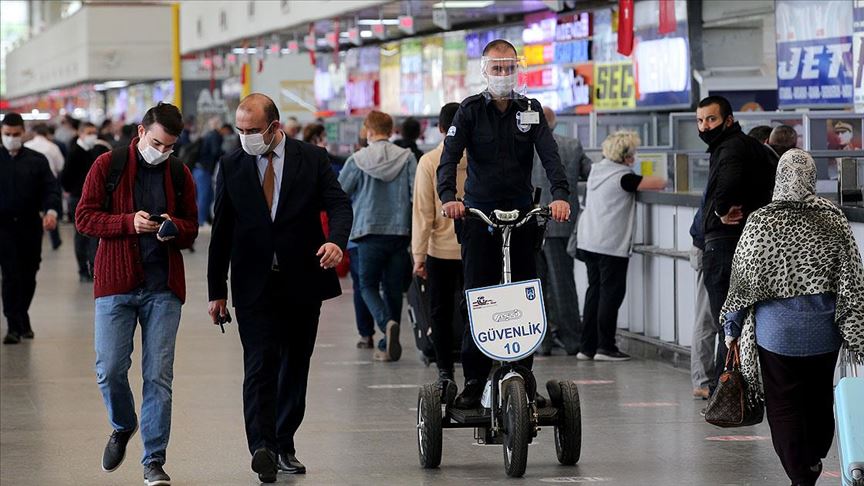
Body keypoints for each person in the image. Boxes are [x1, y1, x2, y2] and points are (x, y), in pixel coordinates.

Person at [207, 93, 352, 483]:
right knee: (259, 365)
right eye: (239, 130)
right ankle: (262, 447)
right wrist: (216, 290)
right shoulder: (232, 163)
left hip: (303, 279)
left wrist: (336, 240)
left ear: (275, 128)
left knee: (294, 366)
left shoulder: (313, 159)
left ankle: (284, 442)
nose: (244, 137)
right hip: (254, 283)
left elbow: (339, 204)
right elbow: (221, 232)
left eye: (252, 131)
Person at [438, 39, 570, 408]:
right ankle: (474, 379)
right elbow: (448, 158)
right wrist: (449, 197)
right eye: (495, 68)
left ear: (516, 70)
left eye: (508, 68)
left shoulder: (530, 110)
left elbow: (550, 155)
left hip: (522, 213)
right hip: (480, 217)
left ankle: (524, 374)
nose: (502, 74)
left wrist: (560, 194)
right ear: (485, 71)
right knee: (478, 295)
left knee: (526, 293)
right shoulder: (468, 112)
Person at [721, 149, 864, 486]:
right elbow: (852, 279)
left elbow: (743, 280)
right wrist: (856, 331)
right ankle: (813, 458)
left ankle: (800, 474)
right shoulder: (833, 218)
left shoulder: (761, 221)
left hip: (776, 334)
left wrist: (732, 325)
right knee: (818, 399)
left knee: (783, 405)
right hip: (823, 332)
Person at [74, 102, 198, 486]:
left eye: (170, 147)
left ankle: (154, 459)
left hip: (163, 288)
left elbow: (193, 226)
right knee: (109, 369)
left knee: (158, 377)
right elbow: (84, 217)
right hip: (116, 284)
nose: (163, 152)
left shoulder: (178, 172)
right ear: (142, 133)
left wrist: (173, 227)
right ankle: (123, 424)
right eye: (158, 143)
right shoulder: (107, 166)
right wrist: (128, 222)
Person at [696, 95, 776, 392]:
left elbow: (725, 190)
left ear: (728, 120)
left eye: (711, 119)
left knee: (727, 325)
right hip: (751, 245)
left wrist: (720, 209)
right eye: (700, 121)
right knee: (743, 322)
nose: (705, 126)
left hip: (723, 245)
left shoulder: (728, 148)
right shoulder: (754, 147)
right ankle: (746, 388)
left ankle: (725, 392)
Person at [575, 131, 666, 361]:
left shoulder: (597, 169)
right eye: (633, 153)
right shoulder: (624, 177)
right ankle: (606, 347)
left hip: (588, 240)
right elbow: (659, 182)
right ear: (625, 156)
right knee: (611, 295)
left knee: (593, 292)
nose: (634, 156)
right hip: (609, 244)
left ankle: (587, 347)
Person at [338, 110, 416, 362]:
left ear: (368, 131)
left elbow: (339, 193)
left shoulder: (357, 160)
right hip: (399, 232)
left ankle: (385, 324)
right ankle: (386, 343)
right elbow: (417, 194)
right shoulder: (407, 158)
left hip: (366, 233)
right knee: (393, 289)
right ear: (391, 130)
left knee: (367, 285)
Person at [412, 102, 467, 381]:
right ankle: (475, 371)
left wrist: (418, 256)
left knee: (440, 312)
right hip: (476, 249)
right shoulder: (482, 159)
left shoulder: (430, 162)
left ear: (440, 128)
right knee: (475, 310)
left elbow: (423, 212)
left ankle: (445, 370)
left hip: (439, 252)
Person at [532, 106, 592, 356]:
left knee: (534, 286)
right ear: (554, 124)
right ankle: (572, 340)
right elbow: (591, 173)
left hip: (530, 225)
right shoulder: (572, 145)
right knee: (563, 285)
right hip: (560, 225)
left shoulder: (524, 148)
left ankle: (541, 342)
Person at [0, 113, 61, 345]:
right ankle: (13, 326)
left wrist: (52, 211)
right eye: (7, 135)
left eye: (16, 134)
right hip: (3, 228)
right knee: (10, 275)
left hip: (29, 226)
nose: (12, 139)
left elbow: (51, 189)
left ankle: (22, 315)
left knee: (29, 274)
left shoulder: (37, 160)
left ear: (23, 132)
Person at [61, 122, 110, 281]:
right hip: (78, 198)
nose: (92, 136)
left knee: (95, 235)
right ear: (81, 133)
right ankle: (83, 269)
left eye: (94, 132)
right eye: (89, 132)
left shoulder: (95, 150)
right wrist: (75, 190)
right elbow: (65, 177)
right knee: (81, 234)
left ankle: (94, 267)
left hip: (95, 199)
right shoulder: (75, 152)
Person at [688, 200, 715, 400]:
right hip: (709, 246)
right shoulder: (728, 171)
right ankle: (702, 380)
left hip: (708, 244)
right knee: (706, 319)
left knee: (708, 318)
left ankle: (704, 379)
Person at [25, 123, 66, 250]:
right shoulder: (53, 147)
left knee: (32, 214)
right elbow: (60, 166)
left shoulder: (26, 146)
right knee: (51, 211)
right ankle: (55, 240)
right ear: (47, 134)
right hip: (50, 184)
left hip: (29, 186)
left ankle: (35, 238)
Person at [194, 117, 224, 226]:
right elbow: (216, 151)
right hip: (204, 171)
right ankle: (201, 221)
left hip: (200, 169)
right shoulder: (215, 135)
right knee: (204, 197)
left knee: (208, 195)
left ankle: (204, 219)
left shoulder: (207, 135)